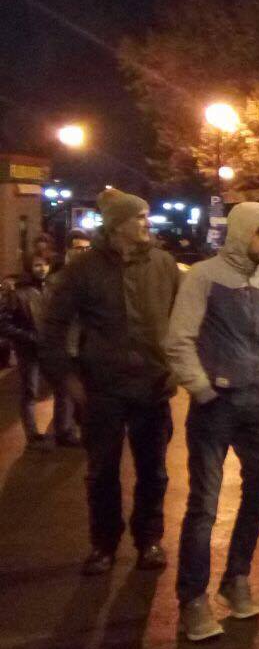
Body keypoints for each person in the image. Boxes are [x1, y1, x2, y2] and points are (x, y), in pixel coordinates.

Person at [167, 202, 259, 642]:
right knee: (204, 504)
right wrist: (201, 390)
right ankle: (192, 599)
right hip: (215, 405)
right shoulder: (204, 276)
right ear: (242, 232)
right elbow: (179, 338)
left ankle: (236, 577)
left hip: (255, 403)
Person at [40, 190, 180, 575]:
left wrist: (178, 367)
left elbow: (184, 321)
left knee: (153, 471)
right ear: (118, 225)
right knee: (102, 472)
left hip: (153, 386)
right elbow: (53, 328)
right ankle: (103, 544)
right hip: (103, 389)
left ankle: (149, 540)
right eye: (139, 217)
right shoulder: (84, 269)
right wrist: (67, 380)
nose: (147, 223)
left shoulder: (164, 264)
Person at [45, 229, 94, 447]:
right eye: (78, 249)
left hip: (84, 344)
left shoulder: (89, 276)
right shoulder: (59, 278)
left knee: (81, 389)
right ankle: (63, 432)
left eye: (86, 248)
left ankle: (76, 426)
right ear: (68, 250)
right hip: (66, 343)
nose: (82, 253)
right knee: (65, 390)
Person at [2, 254, 55, 449]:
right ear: (29, 268)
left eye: (45, 264)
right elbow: (5, 324)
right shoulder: (18, 293)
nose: (42, 268)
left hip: (48, 348)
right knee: (30, 391)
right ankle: (32, 435)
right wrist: (30, 337)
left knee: (57, 388)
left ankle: (60, 430)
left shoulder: (50, 289)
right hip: (28, 351)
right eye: (37, 265)